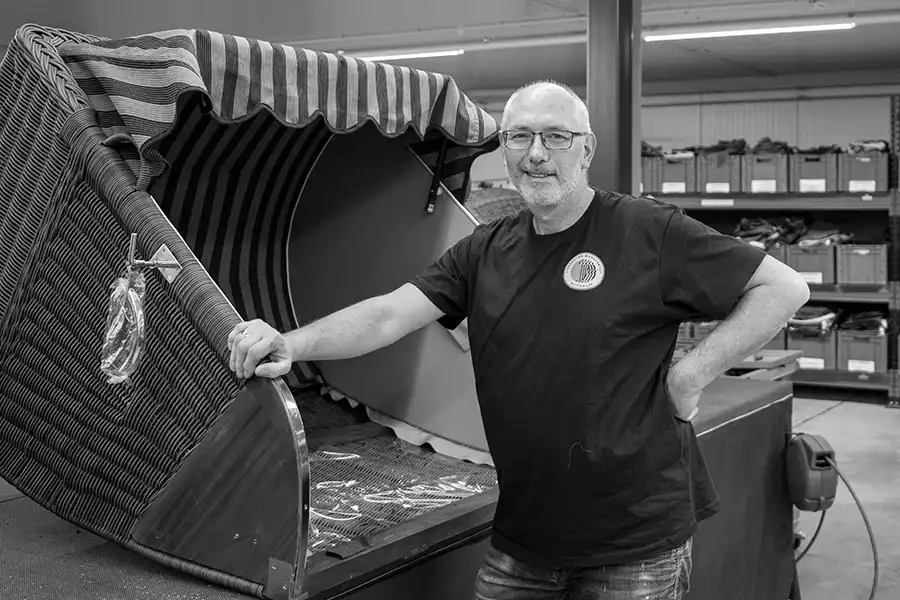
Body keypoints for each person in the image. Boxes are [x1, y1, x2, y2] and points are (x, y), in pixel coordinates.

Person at [227, 80, 809, 599]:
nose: (536, 154)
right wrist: (293, 343)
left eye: (556, 137)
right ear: (503, 149)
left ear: (587, 149)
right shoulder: (484, 250)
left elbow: (782, 287)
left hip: (633, 541)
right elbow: (387, 315)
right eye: (519, 137)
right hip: (524, 538)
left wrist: (689, 375)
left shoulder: (646, 230)